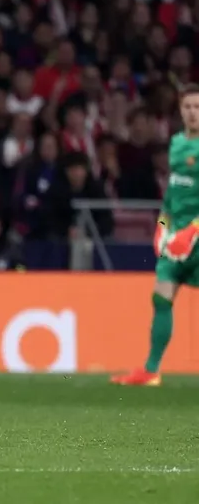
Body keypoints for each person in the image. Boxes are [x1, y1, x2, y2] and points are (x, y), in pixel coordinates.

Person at [112, 84, 199, 387]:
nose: (192, 112)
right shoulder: (175, 144)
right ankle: (151, 370)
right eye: (188, 107)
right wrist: (162, 228)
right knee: (161, 297)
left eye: (197, 107)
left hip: (194, 235)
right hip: (176, 240)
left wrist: (191, 231)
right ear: (180, 110)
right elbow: (172, 196)